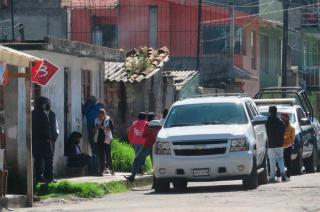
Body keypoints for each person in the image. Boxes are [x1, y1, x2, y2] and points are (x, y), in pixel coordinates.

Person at [32, 96, 59, 183]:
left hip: (35, 140)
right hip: (44, 140)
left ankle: (39, 177)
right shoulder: (43, 113)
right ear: (43, 104)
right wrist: (49, 138)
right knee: (49, 159)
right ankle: (49, 177)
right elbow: (46, 127)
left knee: (38, 160)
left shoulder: (33, 113)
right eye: (45, 103)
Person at [266, 106, 286, 182]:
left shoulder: (268, 121)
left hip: (271, 144)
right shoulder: (280, 121)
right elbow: (284, 131)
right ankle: (283, 173)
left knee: (272, 161)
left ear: (270, 111)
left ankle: (272, 177)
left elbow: (266, 132)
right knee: (281, 159)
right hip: (280, 144)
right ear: (276, 111)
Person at [83, 96, 104, 166]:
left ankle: (95, 167)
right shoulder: (99, 109)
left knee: (94, 150)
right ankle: (99, 167)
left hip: (92, 132)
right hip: (100, 133)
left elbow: (84, 112)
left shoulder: (87, 108)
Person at [94, 109, 114, 176]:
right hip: (99, 139)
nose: (100, 117)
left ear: (104, 115)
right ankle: (102, 170)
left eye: (101, 116)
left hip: (107, 139)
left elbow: (109, 129)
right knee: (101, 155)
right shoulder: (96, 120)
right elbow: (93, 130)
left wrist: (101, 127)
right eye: (99, 116)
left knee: (108, 155)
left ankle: (111, 169)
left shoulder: (108, 120)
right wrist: (96, 128)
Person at [281, 113, 295, 181]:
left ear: (287, 118)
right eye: (281, 118)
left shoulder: (291, 128)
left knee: (288, 161)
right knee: (281, 162)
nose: (282, 119)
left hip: (288, 146)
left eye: (283, 117)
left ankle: (288, 176)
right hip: (280, 146)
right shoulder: (280, 125)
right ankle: (281, 175)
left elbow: (292, 138)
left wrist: (292, 144)